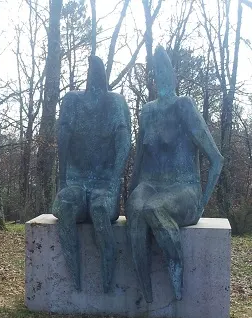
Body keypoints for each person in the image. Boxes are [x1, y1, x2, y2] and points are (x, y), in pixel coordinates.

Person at [126, 46, 223, 303]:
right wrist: (130, 191)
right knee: (135, 207)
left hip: (184, 188)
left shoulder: (184, 106)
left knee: (154, 209)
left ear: (173, 74)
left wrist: (201, 203)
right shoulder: (147, 111)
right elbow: (140, 160)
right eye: (157, 72)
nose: (162, 77)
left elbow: (216, 158)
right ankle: (145, 291)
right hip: (152, 183)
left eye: (165, 70)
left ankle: (177, 284)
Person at [52, 56, 131, 293]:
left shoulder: (115, 103)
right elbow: (63, 138)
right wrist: (63, 179)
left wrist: (114, 184)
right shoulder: (72, 101)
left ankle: (108, 279)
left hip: (104, 186)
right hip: (77, 182)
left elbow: (124, 142)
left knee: (99, 210)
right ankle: (75, 280)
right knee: (65, 206)